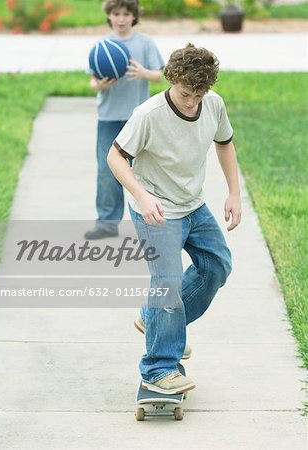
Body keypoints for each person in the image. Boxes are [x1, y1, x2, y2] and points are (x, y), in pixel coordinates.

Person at [107, 43, 242, 395]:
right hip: (156, 211)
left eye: (199, 93)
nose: (191, 102)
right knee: (166, 289)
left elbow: (224, 143)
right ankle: (158, 368)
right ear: (171, 80)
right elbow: (116, 158)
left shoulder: (212, 104)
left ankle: (155, 320)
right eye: (185, 93)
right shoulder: (149, 114)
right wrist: (141, 194)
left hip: (193, 205)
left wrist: (233, 192)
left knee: (217, 266)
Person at [84, 0, 164, 240]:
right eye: (116, 14)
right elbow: (92, 80)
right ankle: (107, 224)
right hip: (109, 117)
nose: (120, 19)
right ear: (109, 16)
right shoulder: (102, 46)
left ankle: (151, 220)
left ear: (134, 16)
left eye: (126, 14)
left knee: (143, 172)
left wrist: (144, 73)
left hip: (137, 119)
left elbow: (159, 76)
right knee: (107, 171)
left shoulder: (145, 43)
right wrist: (99, 84)